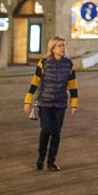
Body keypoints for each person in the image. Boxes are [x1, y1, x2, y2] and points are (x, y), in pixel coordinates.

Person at [23, 36, 78, 172]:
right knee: (46, 130)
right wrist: (27, 101)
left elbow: (73, 85)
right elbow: (34, 82)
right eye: (59, 45)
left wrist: (74, 103)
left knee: (56, 132)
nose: (63, 48)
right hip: (45, 102)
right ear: (53, 48)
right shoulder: (43, 63)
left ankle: (51, 161)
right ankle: (41, 157)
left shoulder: (69, 64)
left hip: (60, 103)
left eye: (64, 45)